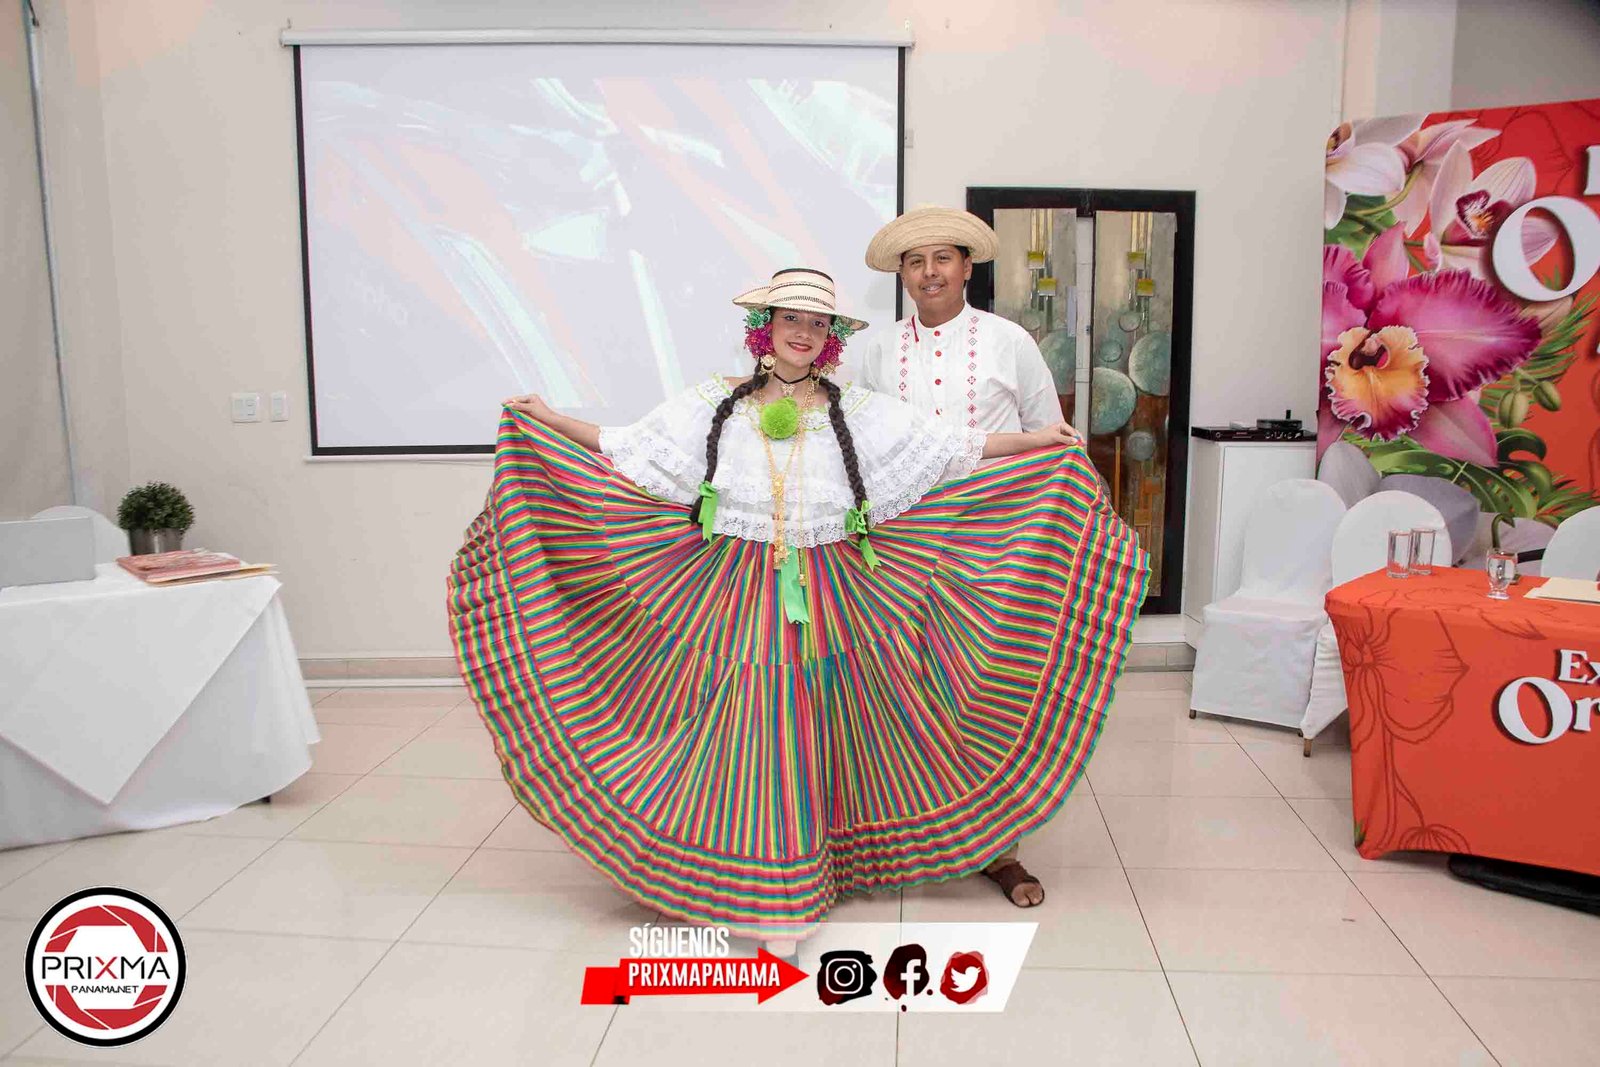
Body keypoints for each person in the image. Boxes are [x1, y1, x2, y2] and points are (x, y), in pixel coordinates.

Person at [448, 267, 1144, 942]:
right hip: (736, 588)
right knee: (755, 721)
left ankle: (816, 867)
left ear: (829, 337)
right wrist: (549, 420)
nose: (803, 332)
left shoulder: (856, 410)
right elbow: (628, 444)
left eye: (816, 323)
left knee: (829, 718)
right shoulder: (718, 400)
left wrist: (1035, 441)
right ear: (765, 326)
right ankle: (763, 884)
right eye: (791, 319)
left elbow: (952, 448)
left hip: (835, 591)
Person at [859, 205, 1073, 907]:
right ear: (902, 274)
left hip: (998, 544)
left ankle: (999, 848)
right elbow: (854, 441)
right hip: (901, 546)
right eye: (915, 262)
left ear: (966, 266)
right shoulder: (873, 350)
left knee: (988, 689)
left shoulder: (1010, 341)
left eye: (942, 258)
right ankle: (907, 834)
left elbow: (1051, 436)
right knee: (907, 691)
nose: (929, 273)